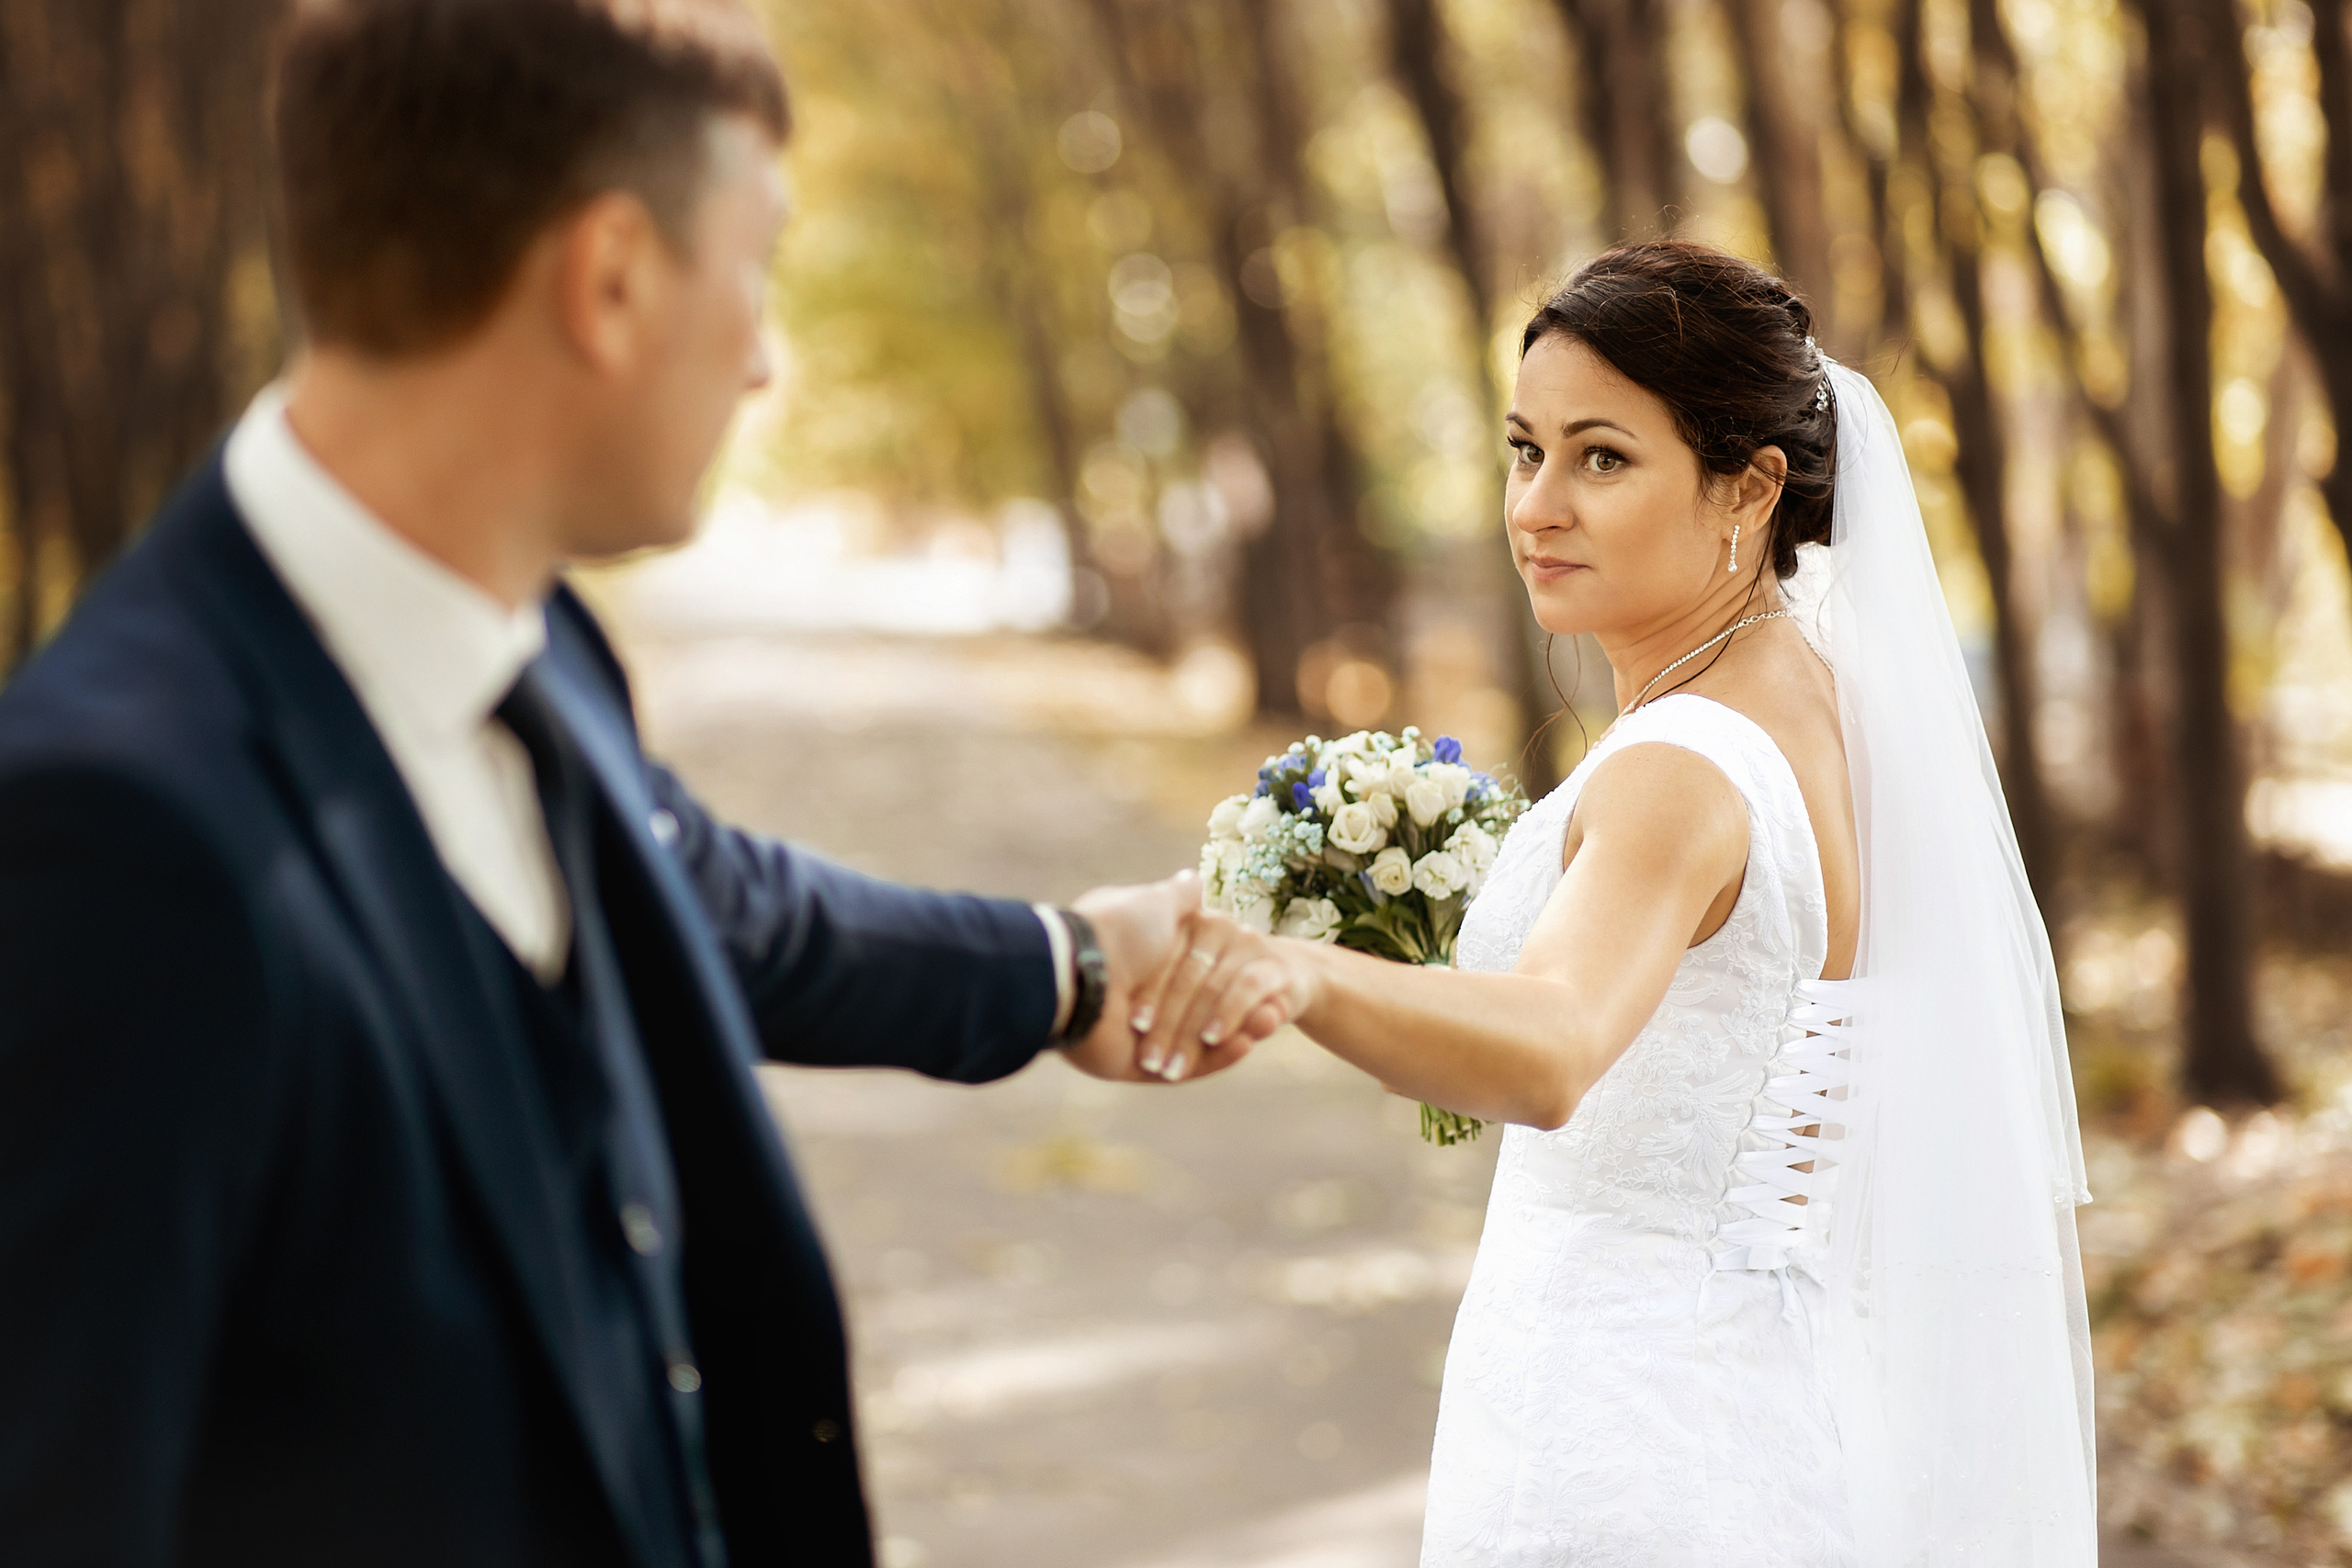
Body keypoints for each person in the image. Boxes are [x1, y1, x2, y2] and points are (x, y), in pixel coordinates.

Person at [0, 3, 1262, 1563]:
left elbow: (723, 913)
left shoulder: (537, 652)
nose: (764, 356)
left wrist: (1071, 970)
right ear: (608, 280)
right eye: (756, 265)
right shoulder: (114, 830)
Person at [1132, 242, 2098, 1564]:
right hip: (1786, 1411)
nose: (1537, 507)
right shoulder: (1840, 716)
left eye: (1603, 458)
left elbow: (1550, 1045)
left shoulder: (1678, 767)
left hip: (1620, 1429)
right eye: (1525, 451)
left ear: (1748, 490)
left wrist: (1294, 971)